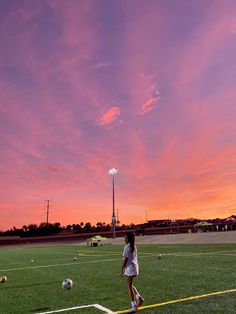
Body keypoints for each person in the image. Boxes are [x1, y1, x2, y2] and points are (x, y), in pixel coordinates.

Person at [120, 231, 144, 313]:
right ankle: (139, 298)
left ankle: (133, 306)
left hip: (130, 268)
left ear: (128, 238)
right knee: (130, 284)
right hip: (134, 267)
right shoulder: (134, 246)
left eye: (125, 237)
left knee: (129, 286)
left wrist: (122, 269)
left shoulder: (127, 247)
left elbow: (125, 259)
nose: (124, 239)